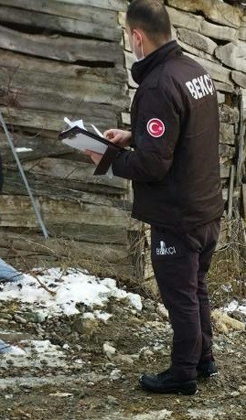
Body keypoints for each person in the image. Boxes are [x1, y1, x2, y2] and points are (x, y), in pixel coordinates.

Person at [86, 0, 224, 395]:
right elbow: (181, 133)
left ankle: (182, 375)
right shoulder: (195, 71)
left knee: (180, 297)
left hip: (177, 216)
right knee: (195, 288)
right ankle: (204, 359)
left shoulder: (158, 84)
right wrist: (135, 135)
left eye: (129, 38)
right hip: (206, 208)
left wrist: (107, 157)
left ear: (137, 36)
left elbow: (152, 167)